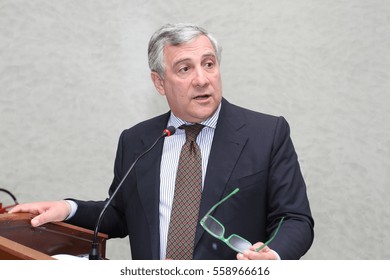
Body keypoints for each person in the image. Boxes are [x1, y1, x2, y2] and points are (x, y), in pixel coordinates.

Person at [10, 23, 314, 260]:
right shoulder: (138, 140)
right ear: (159, 82)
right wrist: (69, 209)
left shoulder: (266, 133)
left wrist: (274, 254)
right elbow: (120, 215)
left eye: (209, 64)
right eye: (185, 68)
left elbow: (295, 218)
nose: (202, 79)